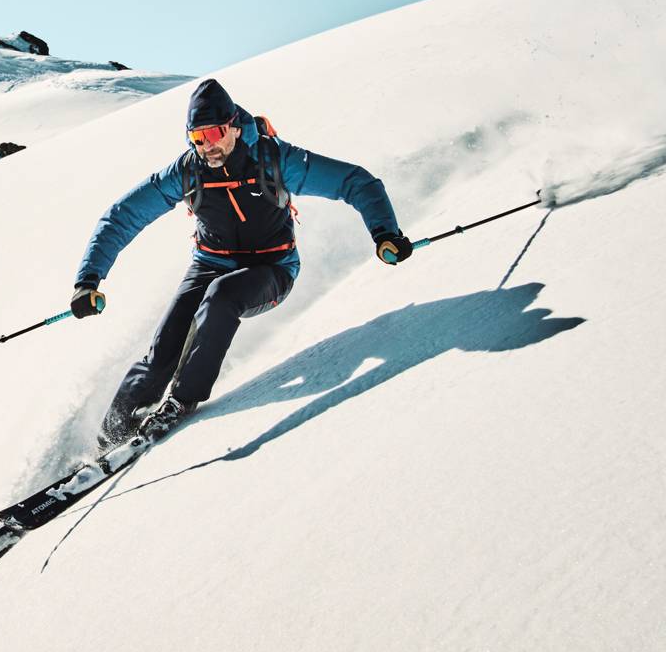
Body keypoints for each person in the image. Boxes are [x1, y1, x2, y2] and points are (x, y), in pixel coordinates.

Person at [71, 78, 411, 448]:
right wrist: (88, 280)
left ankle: (181, 402)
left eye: (214, 133)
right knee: (162, 350)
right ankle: (108, 442)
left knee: (221, 297)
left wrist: (385, 233)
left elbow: (355, 182)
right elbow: (122, 216)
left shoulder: (274, 160)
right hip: (210, 263)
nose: (207, 145)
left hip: (272, 269)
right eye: (197, 138)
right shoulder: (187, 172)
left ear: (233, 125)